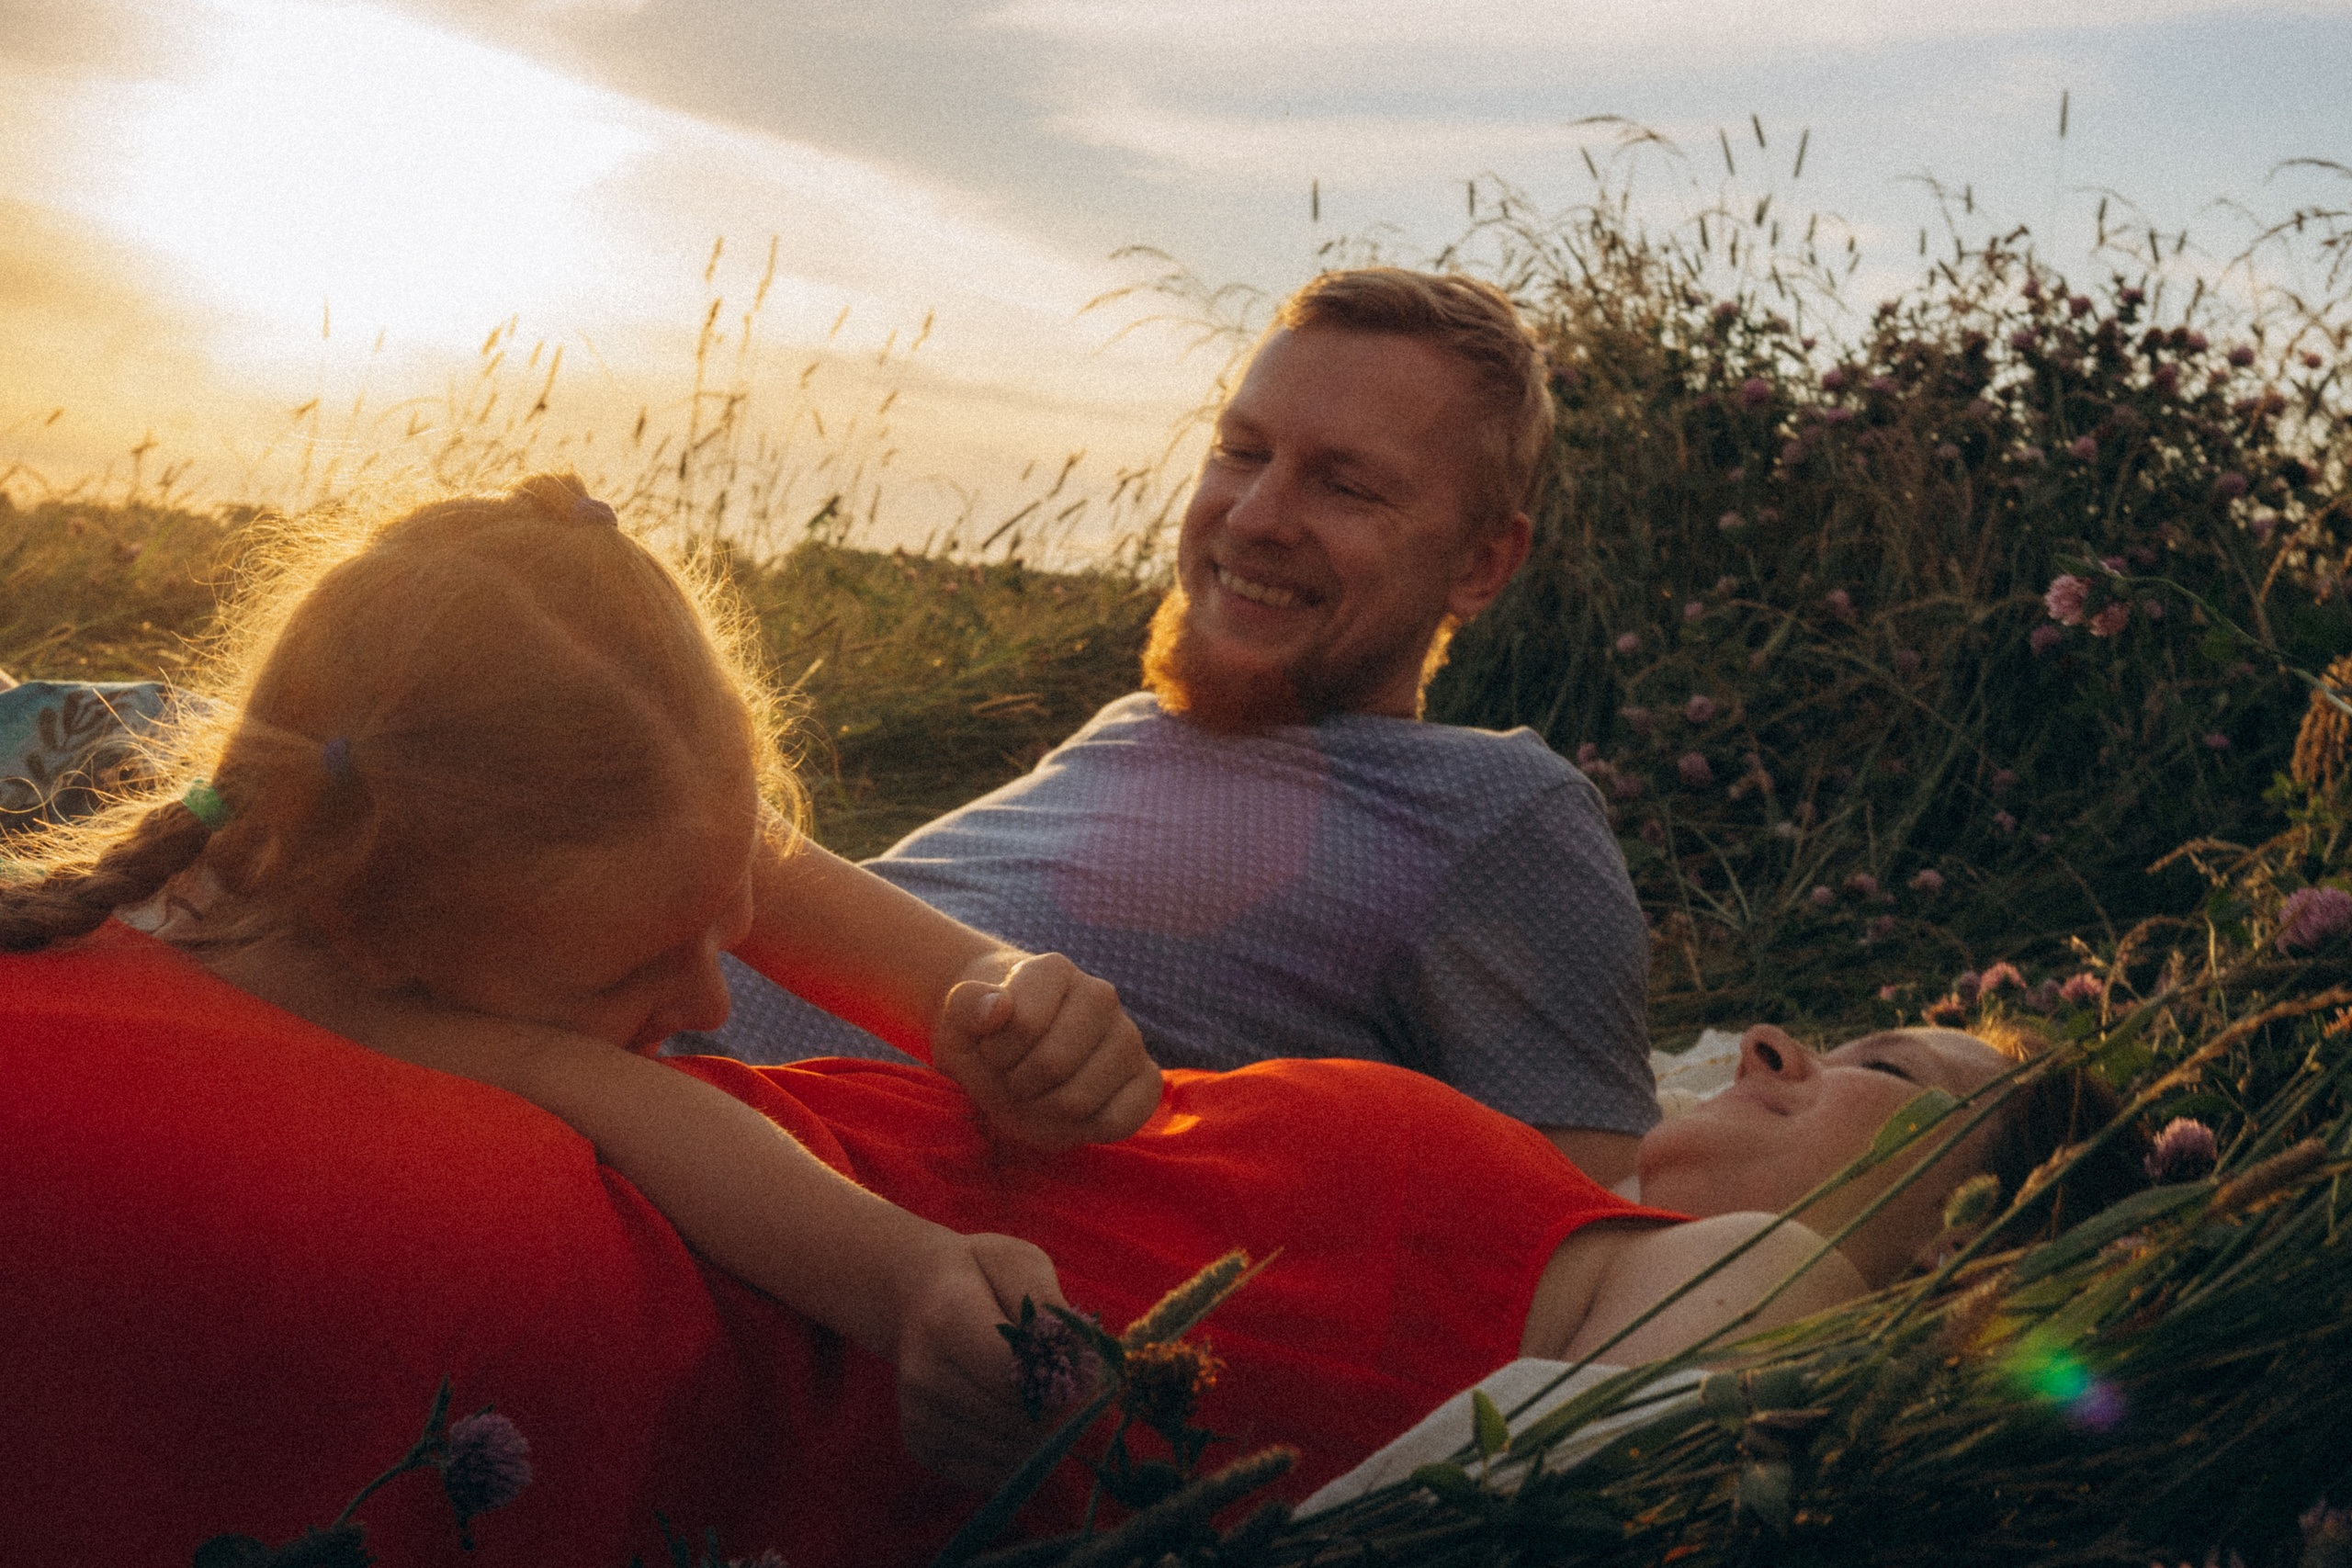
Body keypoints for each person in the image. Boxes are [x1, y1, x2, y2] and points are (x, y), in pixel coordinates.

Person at [0, 477, 2130, 1564]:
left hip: (876, 1291)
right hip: (850, 1211)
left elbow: (1648, 1425)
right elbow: (699, 905)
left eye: (1884, 1070)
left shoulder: (1738, 1263)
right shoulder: (1557, 1202)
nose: (1781, 1047)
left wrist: (2092, 1234)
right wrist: (978, 989)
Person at [690, 267, 1657, 1185]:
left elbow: (1582, 1250)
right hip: (597, 1052)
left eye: (1346, 486)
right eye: (1241, 452)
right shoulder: (1119, 730)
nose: (1255, 514)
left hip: (709, 1191)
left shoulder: (1497, 815)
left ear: (1481, 565)